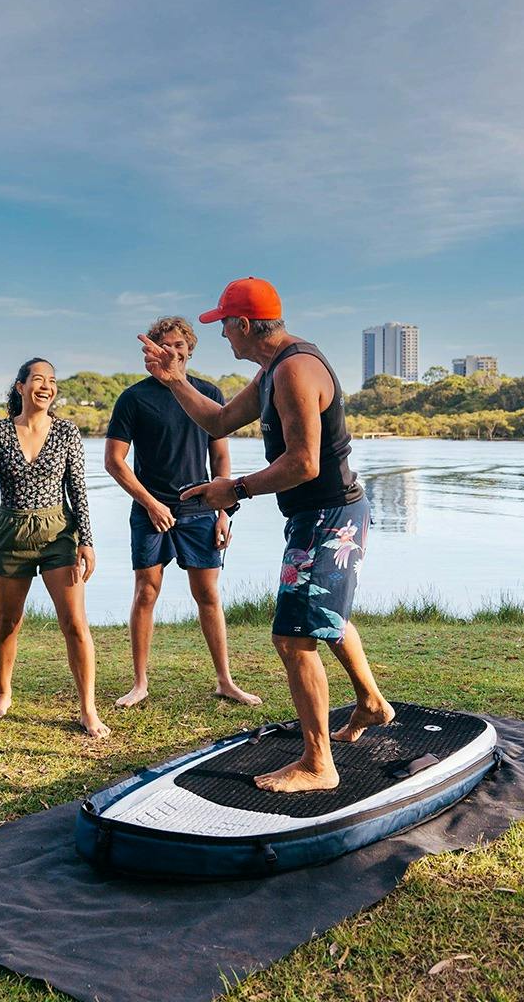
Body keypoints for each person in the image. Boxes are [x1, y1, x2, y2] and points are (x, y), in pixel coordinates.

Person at [140, 277, 394, 793]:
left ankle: (318, 763)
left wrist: (232, 490)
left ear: (245, 325)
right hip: (317, 515)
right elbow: (218, 419)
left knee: (294, 637)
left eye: (223, 326)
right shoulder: (274, 368)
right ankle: (370, 702)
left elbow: (302, 463)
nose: (222, 337)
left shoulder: (295, 371)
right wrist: (173, 379)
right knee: (325, 615)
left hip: (330, 516)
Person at [104, 316, 260, 709]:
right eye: (165, 344)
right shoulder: (133, 398)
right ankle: (139, 683)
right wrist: (150, 503)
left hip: (200, 510)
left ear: (189, 349)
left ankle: (226, 680)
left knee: (208, 594)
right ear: (153, 350)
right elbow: (115, 461)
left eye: (179, 345)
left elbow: (220, 457)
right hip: (149, 509)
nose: (172, 350)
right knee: (146, 592)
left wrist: (224, 511)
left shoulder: (208, 393)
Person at [0, 358, 109, 738]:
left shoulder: (67, 433)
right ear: (20, 387)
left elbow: (78, 491)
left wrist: (87, 542)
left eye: (52, 381)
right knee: (7, 622)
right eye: (38, 380)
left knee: (75, 623)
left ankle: (88, 709)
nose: (46, 386)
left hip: (57, 532)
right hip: (10, 532)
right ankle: (3, 693)